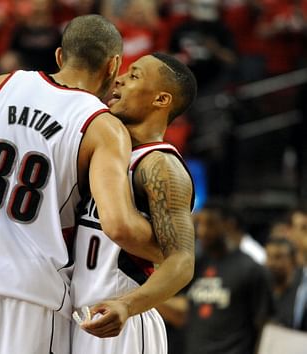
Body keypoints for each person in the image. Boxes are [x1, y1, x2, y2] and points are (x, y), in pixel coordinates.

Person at [0, 14, 158, 354]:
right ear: (113, 65)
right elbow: (118, 225)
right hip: (32, 296)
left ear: (60, 56)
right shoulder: (101, 126)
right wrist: (172, 252)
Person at [71, 52, 197, 354]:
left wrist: (126, 307)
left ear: (161, 100)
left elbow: (181, 262)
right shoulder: (102, 152)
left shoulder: (160, 166)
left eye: (135, 76)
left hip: (121, 325)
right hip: (79, 316)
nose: (120, 79)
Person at [168, 202, 273, 354]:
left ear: (229, 225)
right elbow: (183, 309)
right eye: (199, 224)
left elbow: (264, 324)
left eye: (210, 224)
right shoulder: (196, 265)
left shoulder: (252, 269)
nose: (202, 231)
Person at [265, 237, 307, 330]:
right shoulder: (262, 288)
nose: (271, 263)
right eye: (268, 257)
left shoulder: (303, 293)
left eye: (278, 257)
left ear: (293, 260)